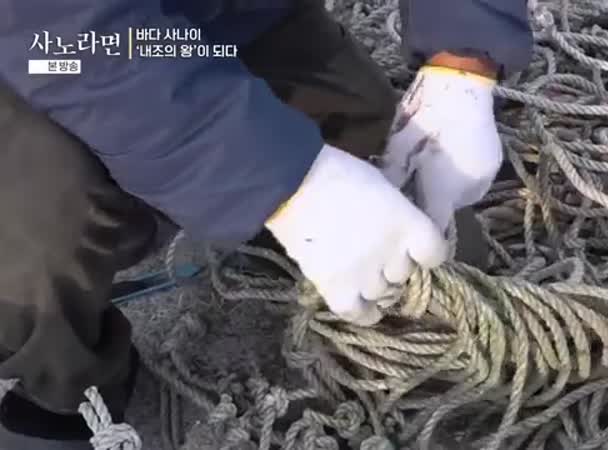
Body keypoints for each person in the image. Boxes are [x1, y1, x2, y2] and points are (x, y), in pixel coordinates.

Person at [0, 0, 532, 448]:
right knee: (42, 226)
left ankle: (267, 225)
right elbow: (59, 27)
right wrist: (287, 183)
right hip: (44, 44)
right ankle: (59, 387)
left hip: (226, 16)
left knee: (392, 176)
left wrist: (461, 66)